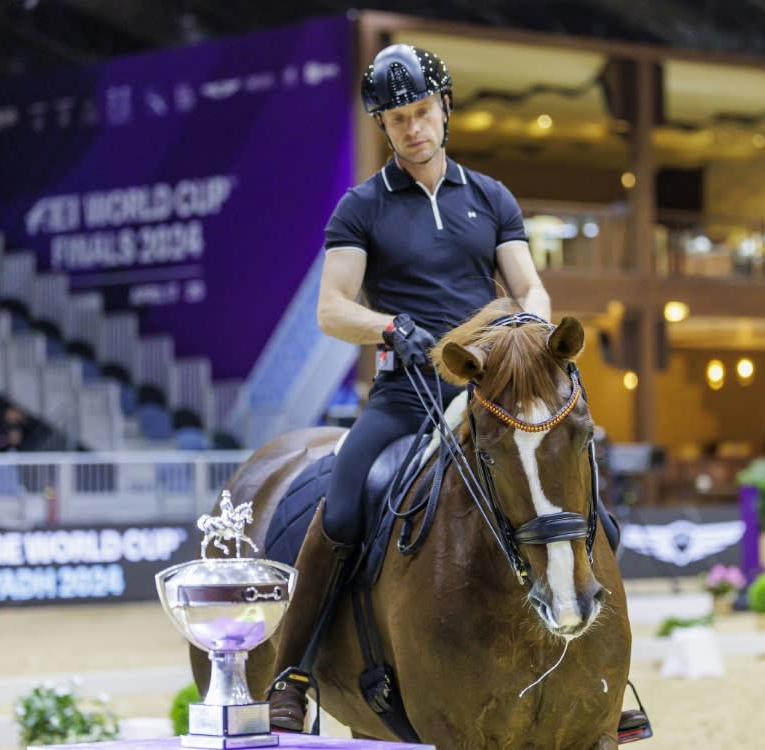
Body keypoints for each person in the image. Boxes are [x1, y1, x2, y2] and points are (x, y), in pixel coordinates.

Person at [268, 43, 642, 737]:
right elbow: (331, 307)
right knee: (344, 503)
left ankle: (603, 675)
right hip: (406, 396)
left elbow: (525, 282)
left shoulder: (490, 197)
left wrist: (527, 321)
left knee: (584, 502)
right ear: (382, 127)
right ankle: (292, 670)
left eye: (420, 112)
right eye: (396, 120)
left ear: (443, 109)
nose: (412, 129)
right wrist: (387, 327)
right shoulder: (361, 208)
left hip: (488, 391)